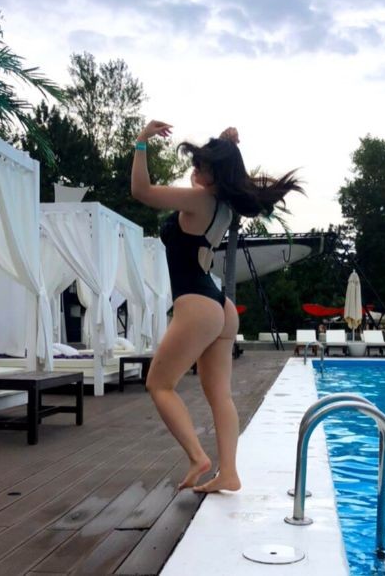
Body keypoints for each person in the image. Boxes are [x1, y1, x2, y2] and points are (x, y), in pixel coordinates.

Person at [131, 120, 303, 492]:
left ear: (215, 175)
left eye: (202, 166)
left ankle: (198, 457)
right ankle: (229, 473)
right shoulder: (223, 206)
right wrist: (225, 144)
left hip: (196, 303)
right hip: (218, 306)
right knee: (219, 395)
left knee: (159, 384)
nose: (194, 170)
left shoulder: (200, 201)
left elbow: (141, 191)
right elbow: (210, 177)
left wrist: (142, 141)